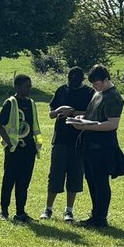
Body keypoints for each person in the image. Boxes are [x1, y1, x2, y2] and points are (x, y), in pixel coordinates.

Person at [67, 65, 124, 228]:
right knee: (91, 180)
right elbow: (91, 115)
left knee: (100, 181)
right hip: (89, 144)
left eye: (97, 84)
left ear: (106, 80)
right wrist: (78, 118)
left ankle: (101, 217)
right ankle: (95, 214)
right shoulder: (98, 93)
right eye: (93, 84)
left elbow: (112, 124)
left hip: (102, 146)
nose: (95, 87)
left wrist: (85, 126)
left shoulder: (113, 96)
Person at [40, 67, 93, 222]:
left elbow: (91, 113)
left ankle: (68, 211)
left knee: (75, 175)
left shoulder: (89, 93)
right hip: (60, 139)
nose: (72, 83)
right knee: (55, 174)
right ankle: (48, 209)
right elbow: (51, 114)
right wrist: (59, 110)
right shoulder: (61, 90)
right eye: (71, 80)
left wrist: (74, 112)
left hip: (79, 139)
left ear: (82, 80)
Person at [0, 74, 42, 222]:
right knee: (9, 180)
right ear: (17, 87)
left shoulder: (31, 103)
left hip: (29, 149)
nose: (29, 89)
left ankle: (20, 212)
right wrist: (9, 143)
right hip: (14, 149)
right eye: (26, 86)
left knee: (24, 182)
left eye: (30, 86)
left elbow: (34, 125)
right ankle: (4, 211)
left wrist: (36, 144)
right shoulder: (10, 103)